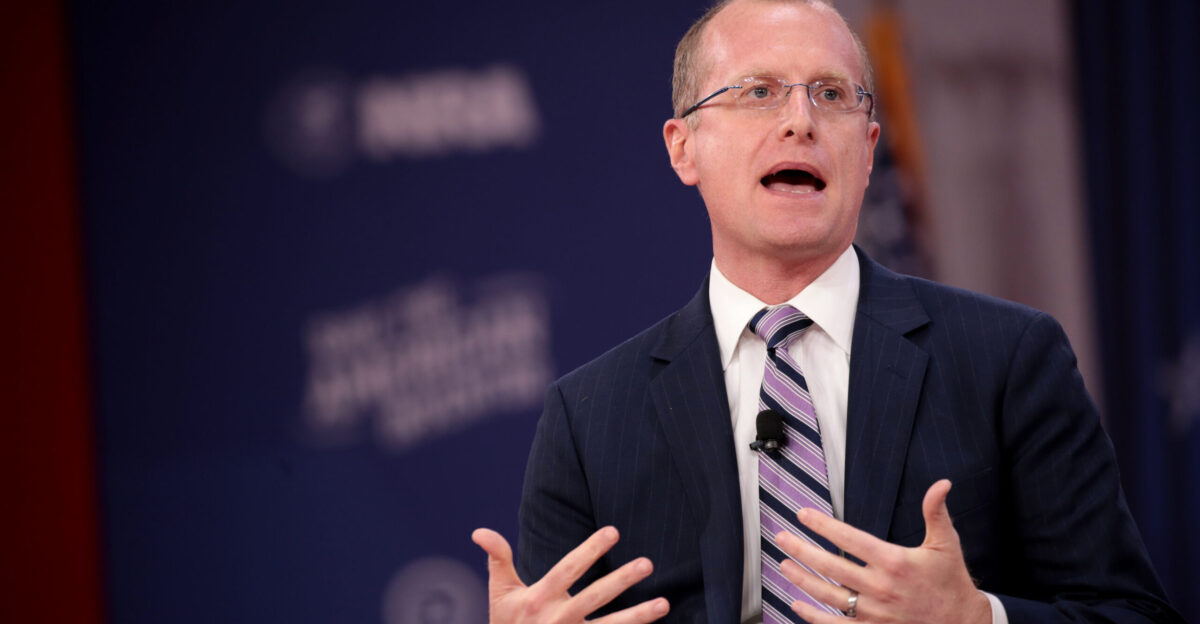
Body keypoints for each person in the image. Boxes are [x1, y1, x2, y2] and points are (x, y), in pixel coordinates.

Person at [473, 0, 1183, 622]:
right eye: (758, 92)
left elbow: (1133, 614)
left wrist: (976, 620)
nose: (800, 121)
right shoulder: (589, 418)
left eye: (832, 94)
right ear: (683, 148)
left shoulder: (1009, 360)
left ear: (869, 151)